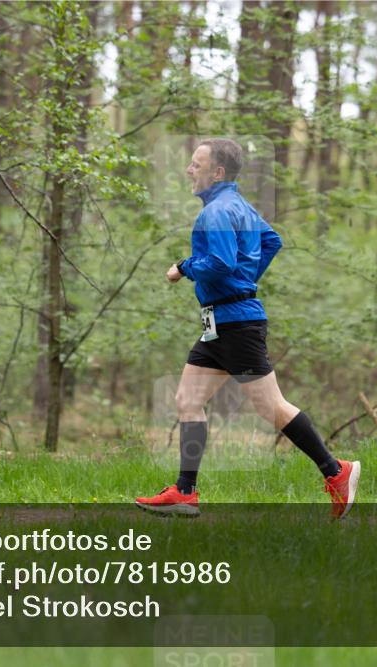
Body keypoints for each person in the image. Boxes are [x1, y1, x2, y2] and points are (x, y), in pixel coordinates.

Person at [135, 138, 360, 519]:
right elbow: (272, 241)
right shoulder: (236, 206)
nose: (189, 170)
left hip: (236, 324)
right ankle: (185, 493)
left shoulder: (216, 213)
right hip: (219, 324)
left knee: (271, 406)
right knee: (188, 401)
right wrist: (245, 278)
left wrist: (184, 268)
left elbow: (220, 263)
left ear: (217, 172)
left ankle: (337, 472)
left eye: (196, 164)